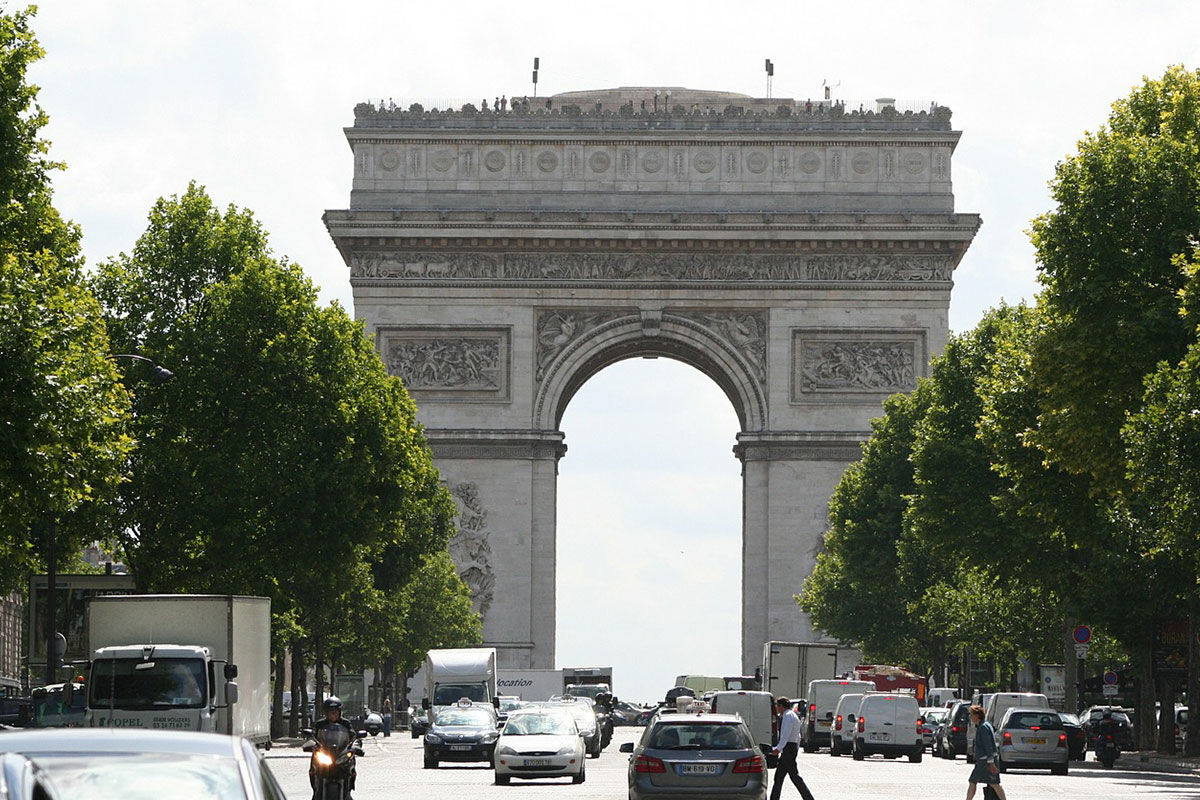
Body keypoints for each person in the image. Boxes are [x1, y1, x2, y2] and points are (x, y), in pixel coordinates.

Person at [770, 696, 816, 800]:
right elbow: (798, 736)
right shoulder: (791, 715)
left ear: (781, 706)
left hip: (788, 748)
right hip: (791, 747)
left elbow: (785, 734)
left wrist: (778, 748)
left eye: (777, 705)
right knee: (779, 776)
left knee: (794, 776)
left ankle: (808, 797)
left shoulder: (787, 716)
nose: (776, 708)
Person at [310, 696, 356, 797]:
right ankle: (316, 789)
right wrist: (311, 744)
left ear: (340, 712)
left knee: (351, 760)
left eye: (335, 711)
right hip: (325, 752)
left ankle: (349, 787)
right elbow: (313, 736)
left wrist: (355, 745)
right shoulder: (320, 724)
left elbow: (353, 736)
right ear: (326, 713)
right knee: (314, 763)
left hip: (341, 752)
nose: (333, 714)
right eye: (331, 712)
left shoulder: (345, 723)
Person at [965, 705, 1006, 799]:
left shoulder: (983, 727)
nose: (970, 717)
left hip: (985, 761)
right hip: (985, 761)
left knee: (976, 781)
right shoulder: (986, 725)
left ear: (977, 715)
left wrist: (991, 763)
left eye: (971, 715)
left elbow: (988, 745)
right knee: (993, 783)